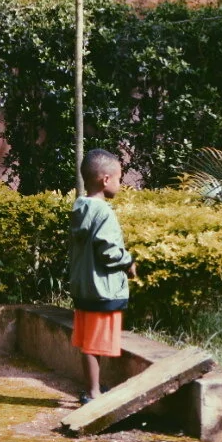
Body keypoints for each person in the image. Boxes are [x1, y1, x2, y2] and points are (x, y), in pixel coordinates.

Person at [68, 147, 136, 404]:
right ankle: (94, 393)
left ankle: (92, 387)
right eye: (119, 178)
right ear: (105, 179)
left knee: (88, 342)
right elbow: (109, 252)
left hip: (84, 288)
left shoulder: (80, 208)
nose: (120, 184)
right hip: (102, 289)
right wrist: (128, 261)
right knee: (96, 344)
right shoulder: (104, 212)